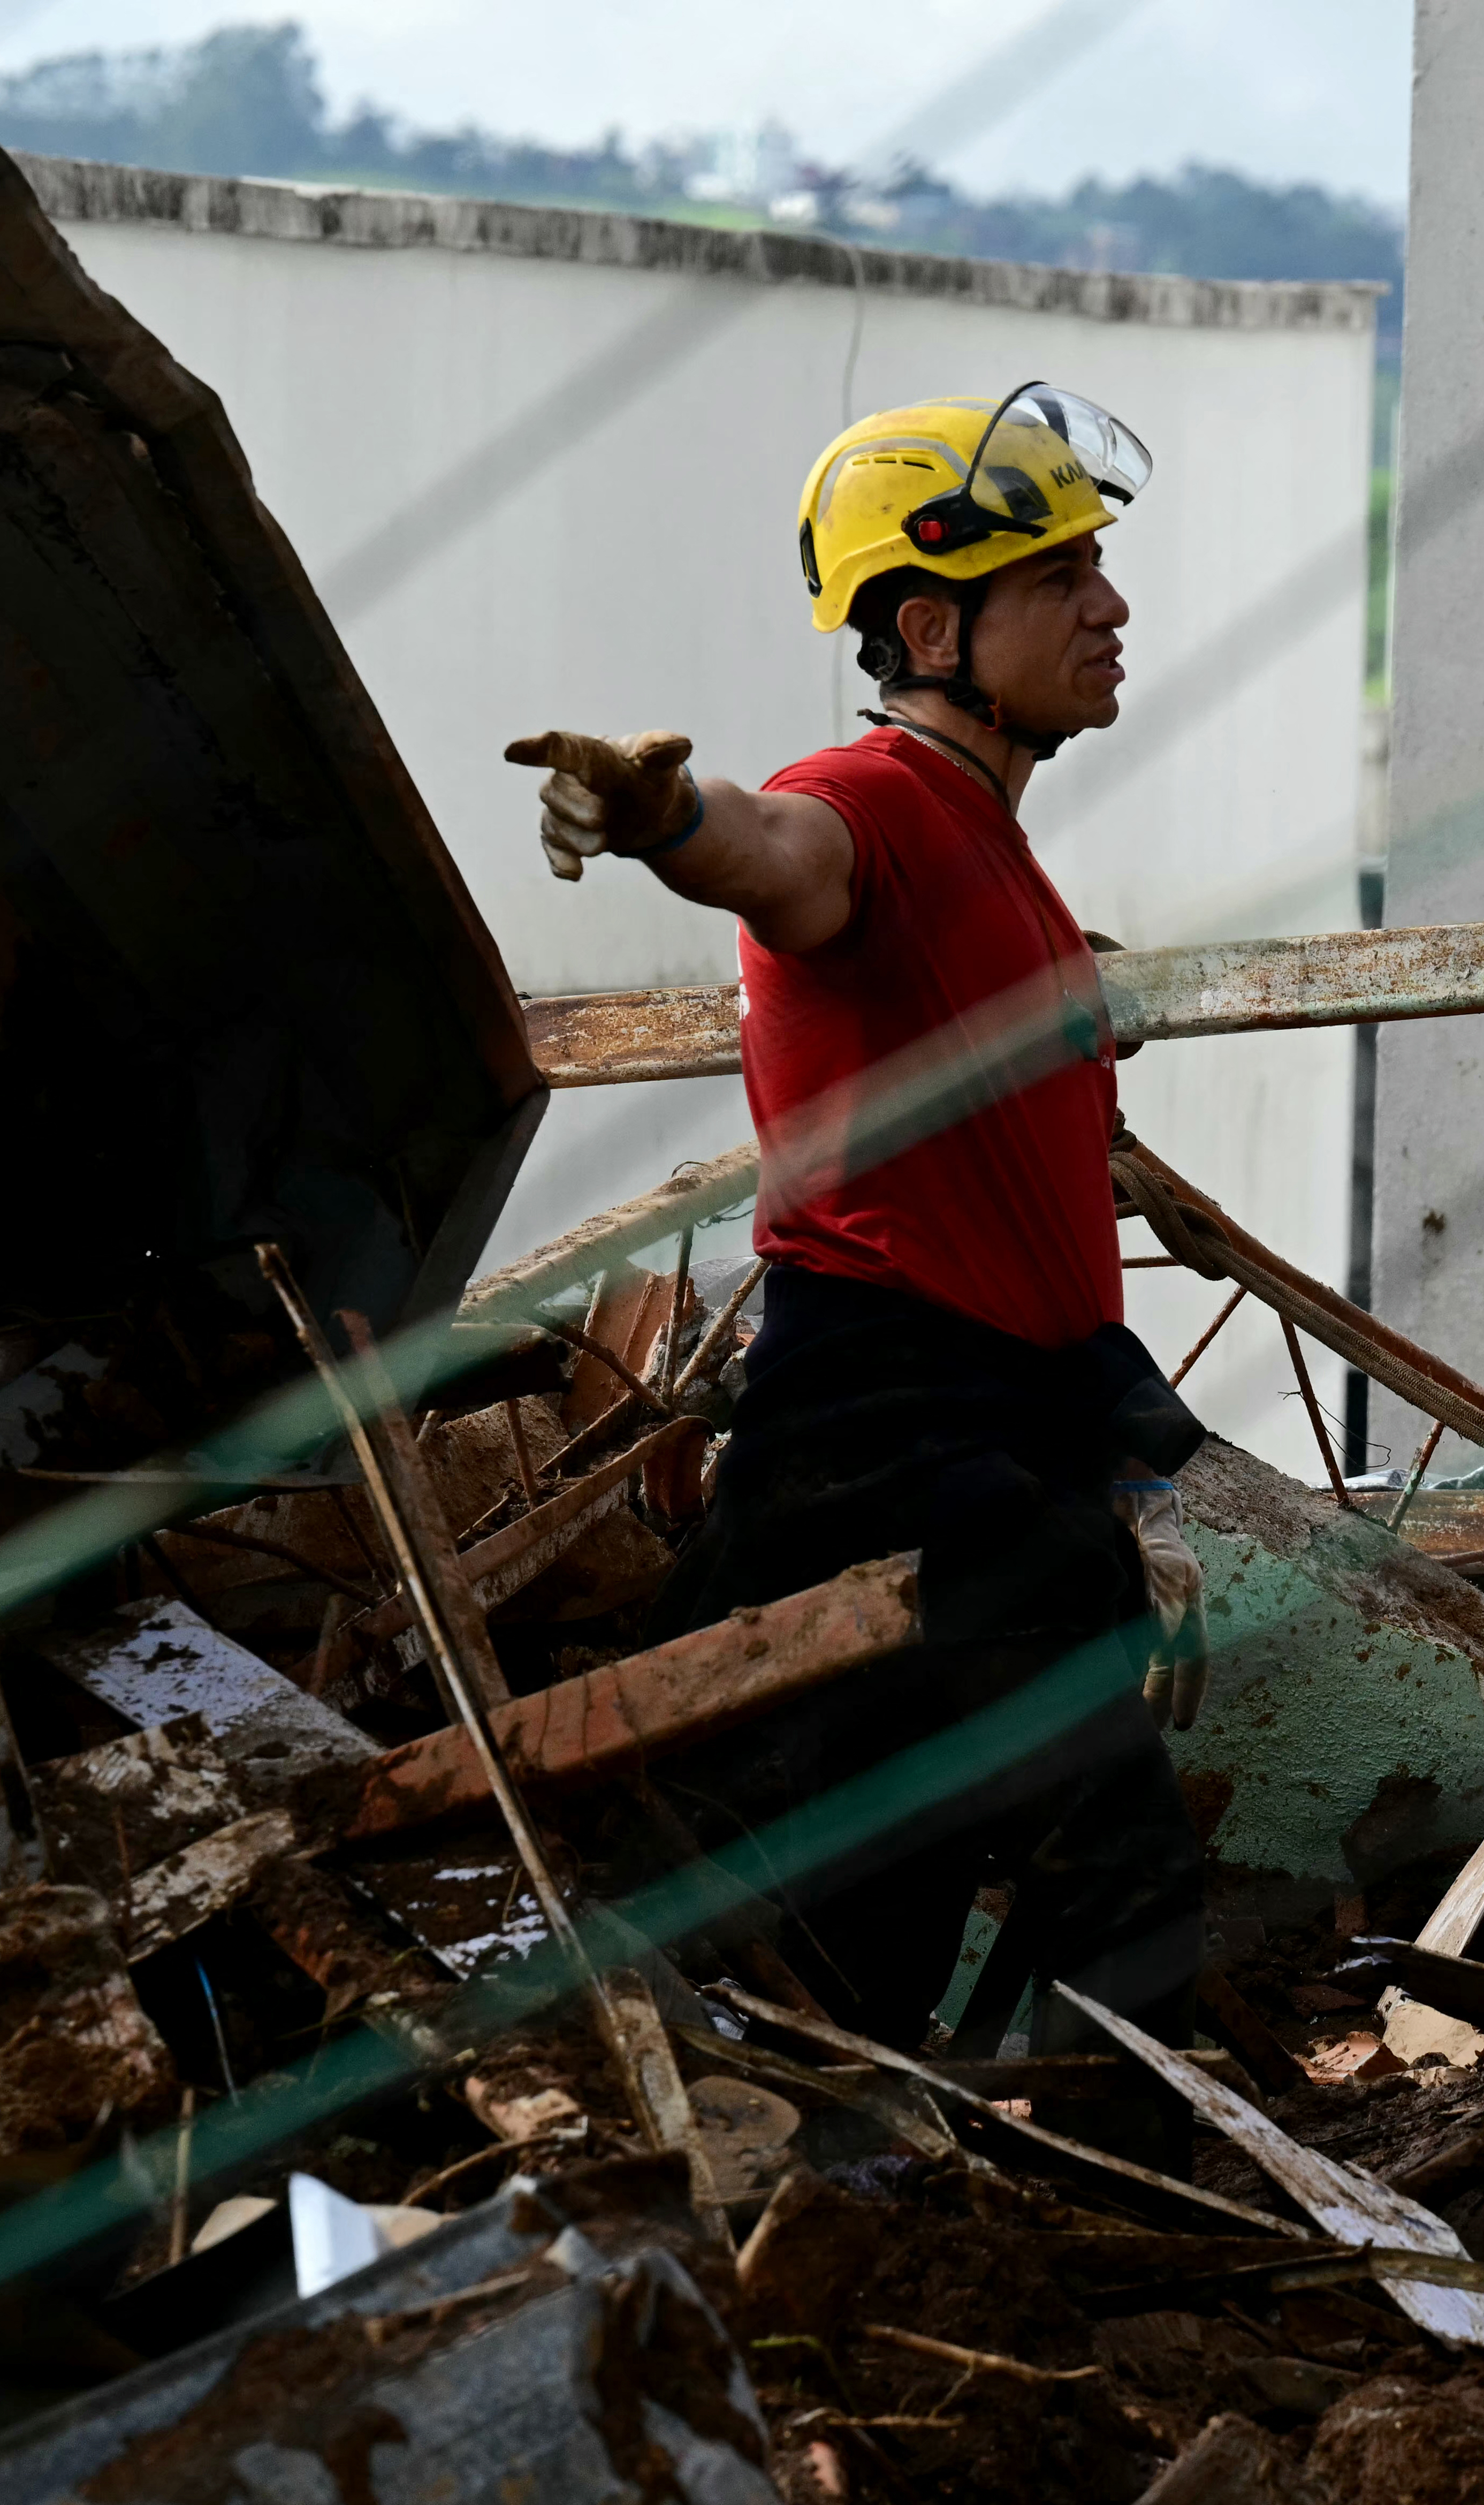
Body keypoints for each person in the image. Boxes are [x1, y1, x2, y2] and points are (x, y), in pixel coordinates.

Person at [505, 385, 1212, 2116]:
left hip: (994, 1442)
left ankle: (888, 2191)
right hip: (896, 1442)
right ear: (931, 629)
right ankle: (1144, 2185)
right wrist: (664, 818)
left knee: (852, 1923)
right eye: (1060, 581)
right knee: (1109, 1860)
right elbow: (771, 854)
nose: (1111, 607)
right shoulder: (871, 802)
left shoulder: (996, 853)